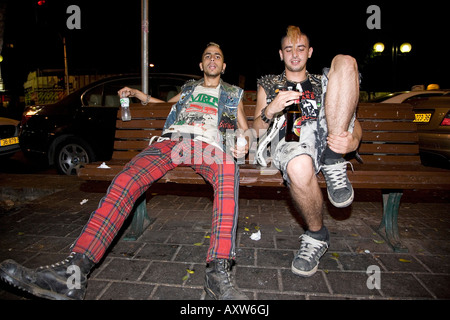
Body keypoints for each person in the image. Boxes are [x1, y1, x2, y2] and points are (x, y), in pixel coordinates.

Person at [0, 43, 250, 300]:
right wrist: (139, 95)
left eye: (217, 56)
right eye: (207, 55)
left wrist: (243, 144)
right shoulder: (189, 89)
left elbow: (242, 128)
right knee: (126, 179)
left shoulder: (232, 94)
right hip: (171, 142)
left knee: (228, 172)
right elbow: (163, 105)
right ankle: (73, 275)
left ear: (223, 65)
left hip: (207, 146)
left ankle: (218, 274)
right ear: (201, 64)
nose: (212, 59)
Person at [253, 26, 362, 277]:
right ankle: (316, 234)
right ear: (281, 54)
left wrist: (353, 142)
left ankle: (334, 161)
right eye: (288, 49)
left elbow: (355, 123)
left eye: (300, 48)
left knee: (345, 61)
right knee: (298, 165)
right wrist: (271, 109)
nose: (294, 54)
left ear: (310, 52)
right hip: (292, 144)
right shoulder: (269, 83)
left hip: (329, 140)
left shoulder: (324, 84)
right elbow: (256, 130)